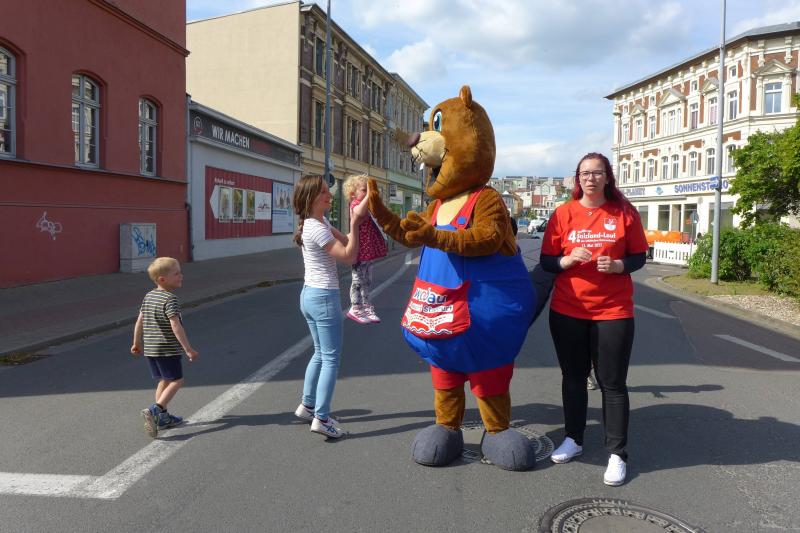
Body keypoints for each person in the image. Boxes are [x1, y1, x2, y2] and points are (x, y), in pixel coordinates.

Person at [539, 152, 648, 486]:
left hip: (613, 311)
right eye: (584, 173)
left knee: (612, 383)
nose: (590, 178)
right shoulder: (563, 213)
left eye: (597, 172)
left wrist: (618, 266)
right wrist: (567, 260)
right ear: (578, 179)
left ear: (607, 177)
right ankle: (574, 439)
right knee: (573, 378)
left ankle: (617, 453)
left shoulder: (624, 212)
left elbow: (639, 256)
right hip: (567, 310)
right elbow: (547, 260)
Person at [292, 174, 369, 438]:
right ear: (312, 198)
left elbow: (346, 242)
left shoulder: (318, 222)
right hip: (323, 297)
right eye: (324, 192)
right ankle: (322, 418)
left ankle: (307, 406)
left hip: (309, 295)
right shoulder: (316, 228)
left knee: (319, 353)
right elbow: (349, 256)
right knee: (331, 359)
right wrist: (355, 223)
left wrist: (355, 222)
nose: (330, 195)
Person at [131, 257, 198, 438]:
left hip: (151, 349)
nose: (181, 276)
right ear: (162, 279)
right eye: (176, 274)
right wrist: (188, 349)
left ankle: (162, 418)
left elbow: (139, 321)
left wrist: (136, 343)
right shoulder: (170, 299)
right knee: (177, 381)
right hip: (167, 349)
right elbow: (176, 326)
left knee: (164, 381)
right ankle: (155, 410)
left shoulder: (149, 296)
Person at [342, 174, 387, 324]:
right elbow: (359, 213)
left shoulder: (366, 205)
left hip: (367, 250)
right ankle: (355, 307)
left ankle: (366, 306)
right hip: (358, 250)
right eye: (364, 190)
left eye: (368, 190)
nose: (367, 192)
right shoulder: (354, 204)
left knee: (367, 280)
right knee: (357, 280)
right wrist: (369, 195)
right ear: (352, 194)